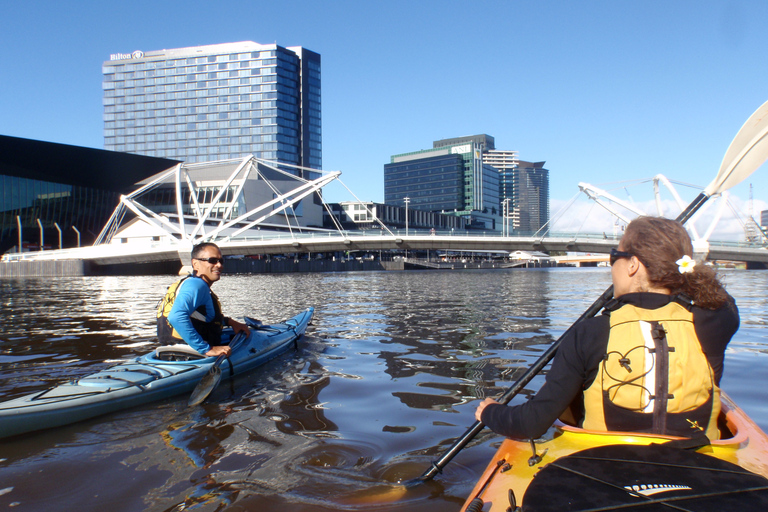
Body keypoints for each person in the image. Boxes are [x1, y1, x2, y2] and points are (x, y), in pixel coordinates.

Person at [476, 216, 739, 441]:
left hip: (607, 468)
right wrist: (682, 268)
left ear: (633, 265)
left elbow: (530, 424)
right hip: (697, 465)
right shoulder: (716, 321)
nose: (612, 264)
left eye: (615, 256)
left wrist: (490, 412)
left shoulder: (590, 332)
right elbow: (720, 298)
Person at [157, 242, 250, 357]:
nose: (219, 265)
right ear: (195, 264)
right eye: (212, 260)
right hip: (192, 354)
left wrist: (231, 322)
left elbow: (202, 318)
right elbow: (176, 316)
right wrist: (206, 349)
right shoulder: (197, 285)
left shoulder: (190, 284)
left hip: (171, 351)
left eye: (221, 261)